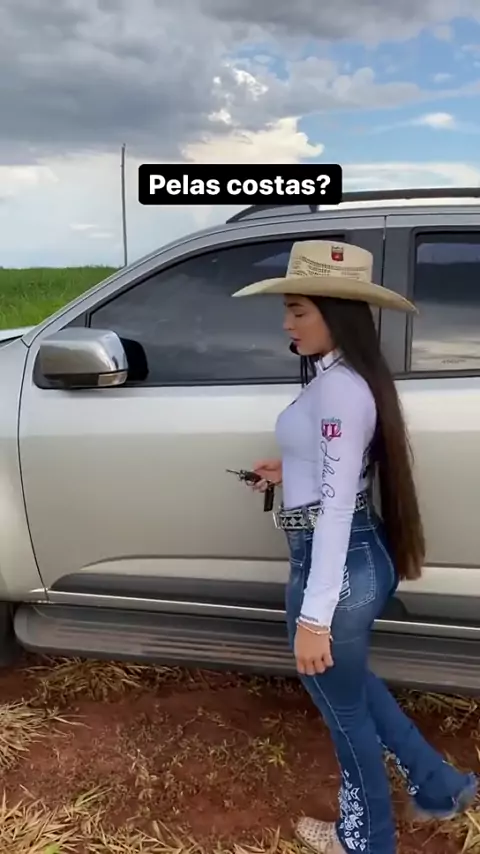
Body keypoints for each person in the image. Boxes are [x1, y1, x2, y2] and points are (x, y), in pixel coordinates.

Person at [231, 240, 477, 854]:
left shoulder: (341, 388)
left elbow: (338, 507)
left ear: (336, 314)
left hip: (335, 567)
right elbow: (337, 469)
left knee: (345, 716)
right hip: (344, 557)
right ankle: (439, 786)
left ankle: (367, 841)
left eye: (298, 311)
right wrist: (289, 469)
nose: (286, 324)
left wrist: (315, 619)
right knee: (352, 689)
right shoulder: (336, 378)